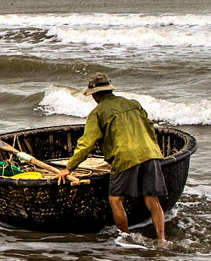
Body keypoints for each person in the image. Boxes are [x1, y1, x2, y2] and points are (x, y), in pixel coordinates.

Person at [57, 72, 168, 248]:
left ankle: (126, 238)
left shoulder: (98, 112)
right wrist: (153, 151)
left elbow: (86, 144)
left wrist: (69, 168)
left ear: (95, 94)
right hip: (150, 153)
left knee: (116, 200)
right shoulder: (132, 104)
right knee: (152, 198)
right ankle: (161, 239)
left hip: (125, 157)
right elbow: (149, 127)